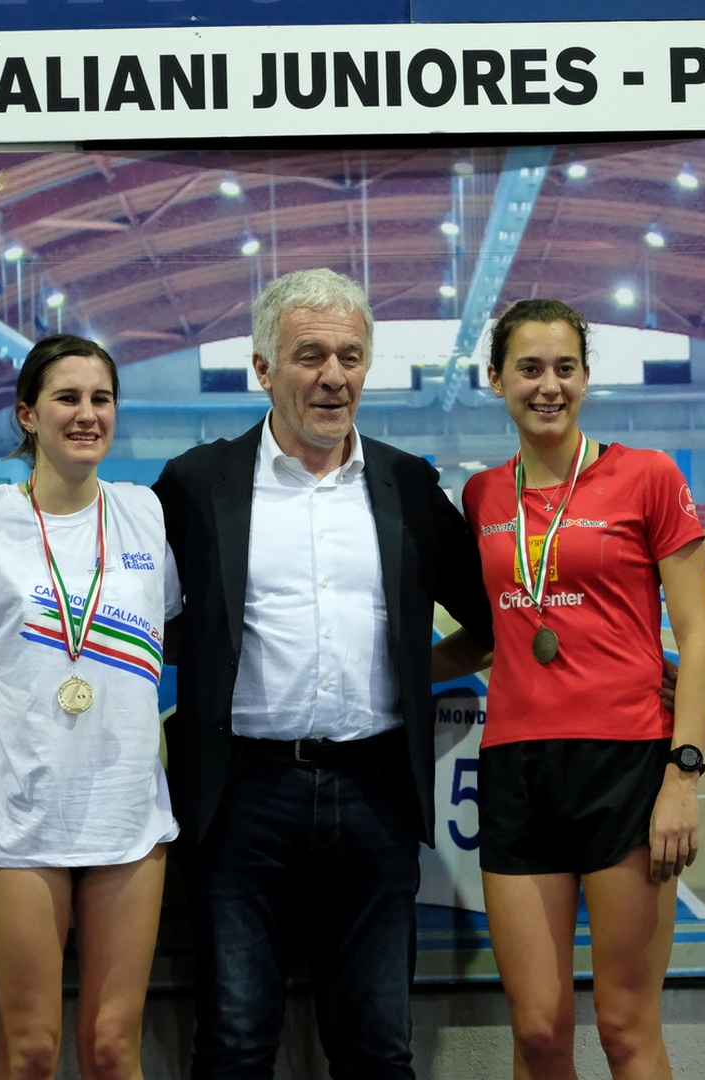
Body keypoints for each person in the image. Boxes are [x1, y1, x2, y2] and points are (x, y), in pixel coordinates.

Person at [151, 268, 496, 1080]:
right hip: (240, 794)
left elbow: (490, 623)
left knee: (377, 1051)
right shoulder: (197, 484)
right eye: (310, 355)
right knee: (234, 1047)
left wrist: (410, 673)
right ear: (263, 369)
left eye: (350, 356)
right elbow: (141, 620)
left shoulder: (407, 484)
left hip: (375, 791)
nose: (334, 376)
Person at [459, 298, 705, 1080]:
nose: (549, 386)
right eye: (529, 369)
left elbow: (699, 636)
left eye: (565, 368)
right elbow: (493, 632)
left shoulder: (648, 476)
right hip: (516, 770)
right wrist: (392, 669)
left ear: (585, 377)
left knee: (624, 1027)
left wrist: (683, 776)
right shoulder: (483, 496)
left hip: (626, 768)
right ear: (496, 378)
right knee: (538, 1031)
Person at [0, 334, 181, 1080]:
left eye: (101, 399)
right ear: (27, 414)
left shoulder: (145, 514)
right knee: (31, 1050)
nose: (87, 414)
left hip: (127, 814)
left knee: (112, 1047)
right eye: (67, 398)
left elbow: (170, 630)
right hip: (21, 813)